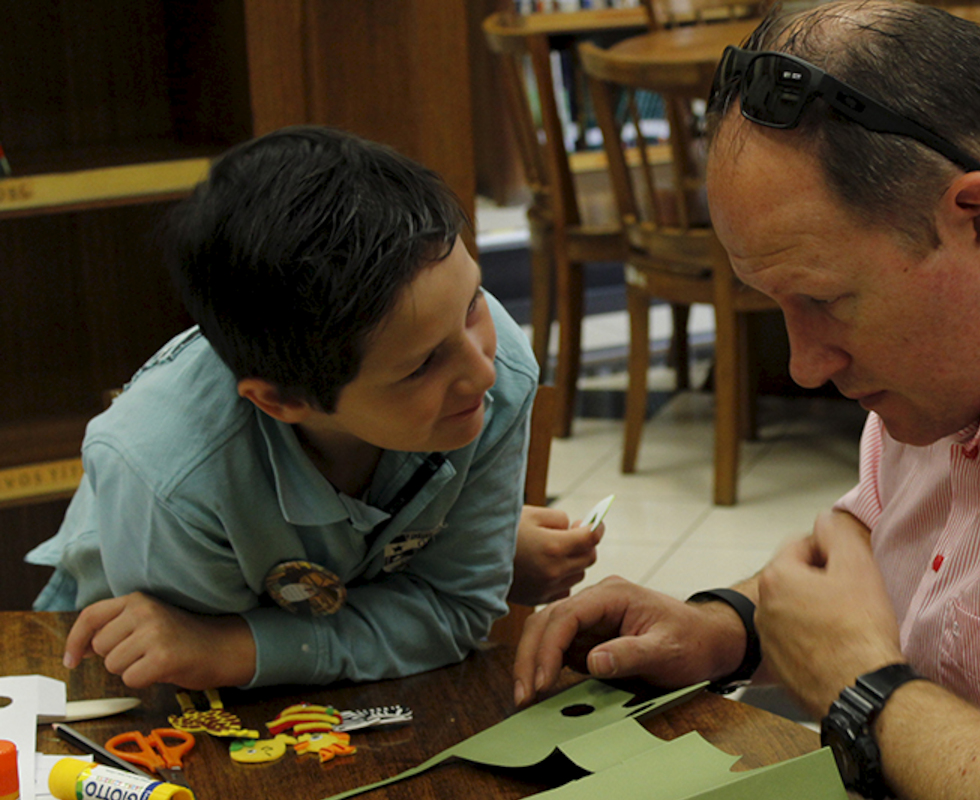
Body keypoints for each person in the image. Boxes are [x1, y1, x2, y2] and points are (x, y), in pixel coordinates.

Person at [512, 2, 980, 797]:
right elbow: (885, 563)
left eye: (826, 302)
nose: (805, 365)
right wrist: (726, 628)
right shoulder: (965, 333)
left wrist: (864, 691)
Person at [25, 125, 600, 692]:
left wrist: (241, 649)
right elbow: (189, 662)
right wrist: (230, 649)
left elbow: (453, 611)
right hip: (118, 678)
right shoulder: (170, 476)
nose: (483, 370)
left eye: (472, 300)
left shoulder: (488, 369)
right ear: (282, 400)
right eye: (421, 365)